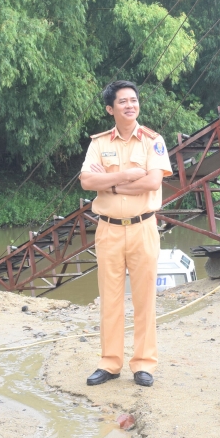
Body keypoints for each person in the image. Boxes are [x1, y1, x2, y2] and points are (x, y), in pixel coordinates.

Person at [79, 81, 172, 388]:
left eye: (134, 100)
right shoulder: (99, 143)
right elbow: (86, 180)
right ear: (110, 109)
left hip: (143, 227)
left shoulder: (152, 140)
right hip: (108, 229)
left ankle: (144, 364)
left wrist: (111, 183)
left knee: (145, 298)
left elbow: (152, 182)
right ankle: (110, 363)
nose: (130, 105)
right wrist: (126, 175)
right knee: (110, 298)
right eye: (123, 102)